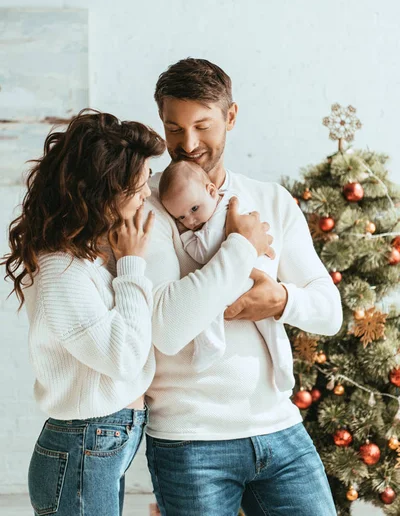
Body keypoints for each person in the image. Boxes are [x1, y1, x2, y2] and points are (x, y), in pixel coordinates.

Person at [143, 58, 343, 516]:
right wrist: (239, 248)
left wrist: (281, 299)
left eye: (202, 125)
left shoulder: (270, 199)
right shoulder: (148, 205)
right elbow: (168, 328)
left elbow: (329, 311)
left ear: (231, 117)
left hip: (280, 428)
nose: (187, 144)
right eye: (174, 128)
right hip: (192, 441)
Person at [2, 109, 165, 516]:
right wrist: (131, 264)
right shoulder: (62, 269)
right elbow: (123, 357)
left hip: (98, 444)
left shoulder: (87, 256)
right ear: (106, 189)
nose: (147, 194)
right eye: (140, 185)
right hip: (83, 445)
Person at [158, 159, 294, 388]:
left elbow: (203, 254)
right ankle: (283, 368)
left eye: (193, 209)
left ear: (211, 191)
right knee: (271, 328)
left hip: (246, 279)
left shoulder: (219, 216)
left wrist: (184, 237)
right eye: (180, 218)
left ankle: (210, 345)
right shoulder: (228, 205)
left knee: (208, 305)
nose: (191, 221)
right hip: (253, 277)